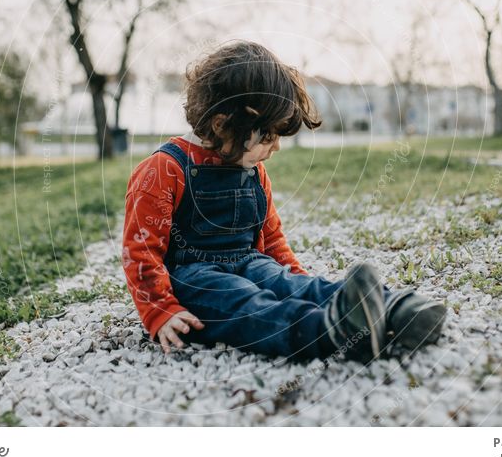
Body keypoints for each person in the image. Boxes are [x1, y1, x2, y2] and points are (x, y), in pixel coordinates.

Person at [121, 40, 446, 363]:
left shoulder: (254, 172)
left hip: (249, 262)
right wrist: (159, 310)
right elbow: (142, 251)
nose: (275, 148)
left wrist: (295, 280)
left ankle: (391, 309)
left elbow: (272, 239)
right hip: (195, 280)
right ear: (223, 125)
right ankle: (332, 332)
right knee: (246, 303)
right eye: (267, 137)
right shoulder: (165, 168)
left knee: (289, 284)